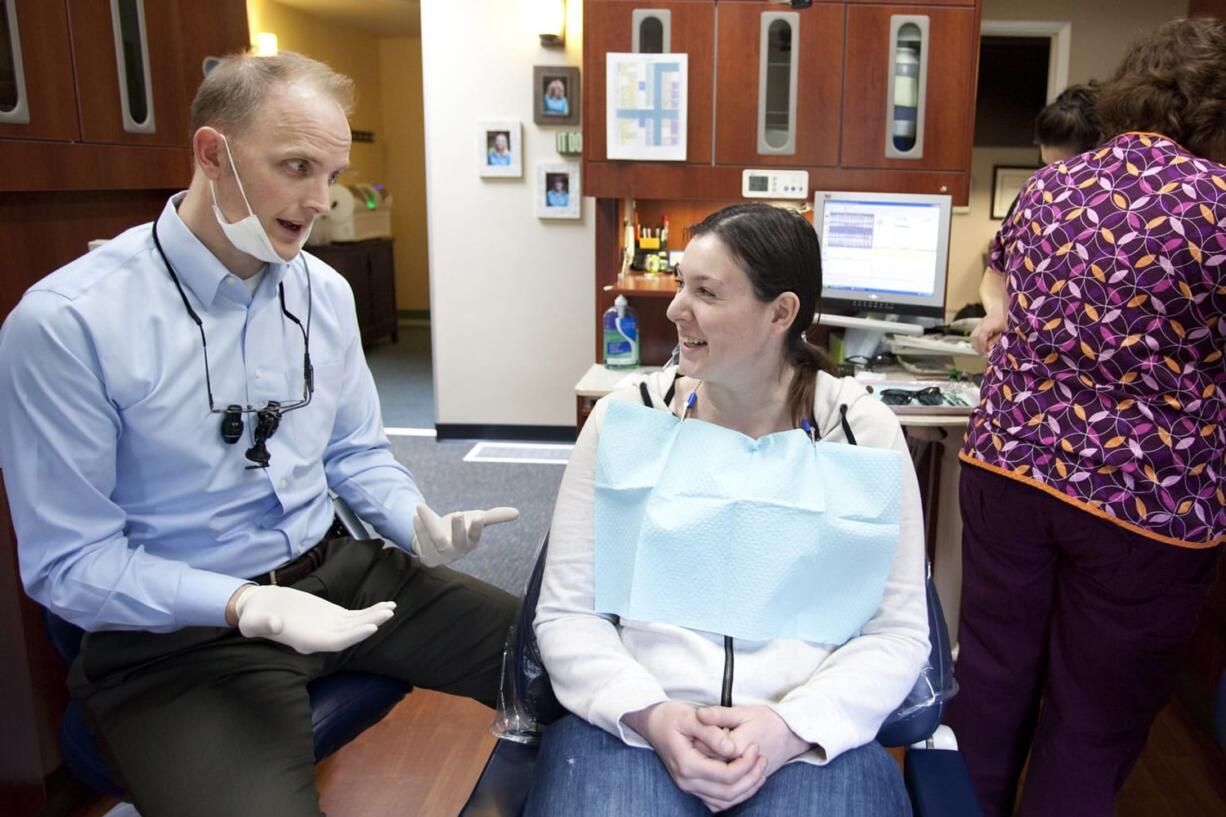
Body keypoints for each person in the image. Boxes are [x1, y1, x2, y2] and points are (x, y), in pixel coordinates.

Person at [0, 51, 520, 817]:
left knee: (565, 662)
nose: (319, 201)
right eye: (297, 166)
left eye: (332, 174)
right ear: (213, 154)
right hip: (179, 642)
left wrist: (411, 516)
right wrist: (242, 603)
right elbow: (69, 563)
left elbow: (353, 451)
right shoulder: (69, 324)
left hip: (337, 575)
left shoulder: (325, 293)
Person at [524, 203, 929, 815]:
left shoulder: (860, 433)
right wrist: (652, 714)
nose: (675, 308)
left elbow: (895, 632)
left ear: (781, 313)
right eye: (681, 283)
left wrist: (790, 726)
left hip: (801, 731)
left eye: (706, 292)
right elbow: (566, 612)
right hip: (637, 721)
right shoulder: (628, 419)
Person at [948, 18, 1226, 817]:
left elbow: (999, 283)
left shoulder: (1050, 187)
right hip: (1142, 501)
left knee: (990, 692)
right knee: (1091, 723)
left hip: (1008, 468)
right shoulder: (1216, 203)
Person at [971, 82, 1102, 354]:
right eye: (1047, 167)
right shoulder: (1033, 195)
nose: (1055, 182)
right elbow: (995, 275)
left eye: (1067, 170)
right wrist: (998, 310)